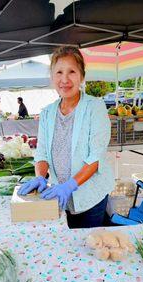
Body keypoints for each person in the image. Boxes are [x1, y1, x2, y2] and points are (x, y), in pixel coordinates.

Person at [18, 46, 114, 229]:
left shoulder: (95, 107)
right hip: (58, 196)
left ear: (81, 76)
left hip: (90, 197)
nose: (64, 79)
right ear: (52, 77)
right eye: (59, 72)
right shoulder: (47, 113)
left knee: (90, 245)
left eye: (72, 72)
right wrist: (40, 176)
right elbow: (42, 153)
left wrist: (70, 184)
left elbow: (96, 156)